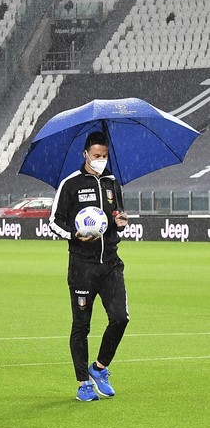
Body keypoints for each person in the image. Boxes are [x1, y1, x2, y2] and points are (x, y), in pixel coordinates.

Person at [49, 131, 129, 402]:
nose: (101, 160)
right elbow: (54, 222)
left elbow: (116, 214)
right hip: (82, 266)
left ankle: (100, 368)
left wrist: (120, 221)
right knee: (81, 326)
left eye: (104, 156)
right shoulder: (70, 184)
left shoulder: (112, 183)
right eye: (96, 156)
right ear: (85, 155)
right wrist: (74, 234)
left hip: (110, 264)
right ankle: (83, 382)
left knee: (120, 318)